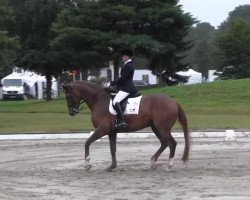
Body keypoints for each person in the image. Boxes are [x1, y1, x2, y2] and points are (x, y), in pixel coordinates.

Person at [109, 48, 137, 129]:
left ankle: (122, 121)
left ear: (127, 56)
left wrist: (111, 83)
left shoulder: (128, 65)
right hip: (124, 87)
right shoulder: (128, 65)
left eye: (123, 56)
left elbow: (123, 78)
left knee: (115, 101)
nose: (122, 57)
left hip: (127, 88)